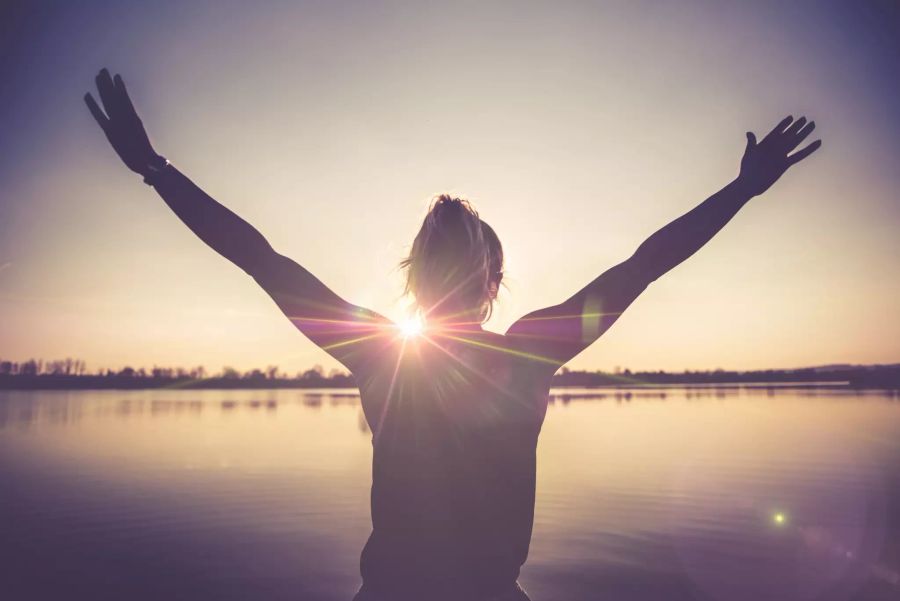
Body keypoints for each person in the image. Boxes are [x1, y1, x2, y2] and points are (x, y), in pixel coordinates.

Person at [85, 68, 821, 601]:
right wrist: (740, 190)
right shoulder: (527, 351)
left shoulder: (379, 352)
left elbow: (259, 259)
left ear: (414, 276)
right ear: (492, 281)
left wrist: (157, 169)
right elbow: (646, 265)